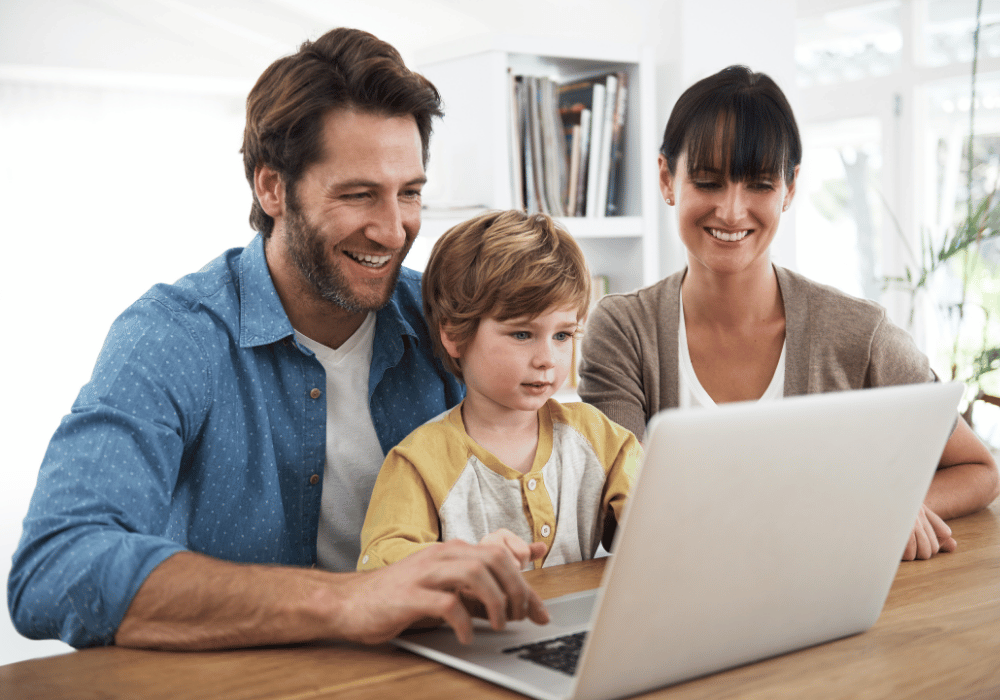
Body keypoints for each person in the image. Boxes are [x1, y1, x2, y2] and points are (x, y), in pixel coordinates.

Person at [8, 27, 550, 652]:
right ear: (272, 188)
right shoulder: (172, 335)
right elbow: (55, 568)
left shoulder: (446, 318)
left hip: (438, 668)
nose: (394, 229)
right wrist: (353, 600)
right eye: (358, 195)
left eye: (410, 194)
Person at [578, 65, 999, 562]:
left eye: (759, 184)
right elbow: (616, 519)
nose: (732, 212)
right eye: (709, 182)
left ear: (791, 188)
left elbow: (980, 469)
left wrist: (896, 507)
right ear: (668, 180)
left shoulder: (859, 335)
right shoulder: (624, 330)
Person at [358, 210, 641, 572]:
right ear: (454, 334)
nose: (547, 359)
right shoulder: (419, 462)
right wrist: (462, 564)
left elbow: (656, 522)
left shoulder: (600, 438)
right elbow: (378, 570)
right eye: (522, 334)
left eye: (563, 335)